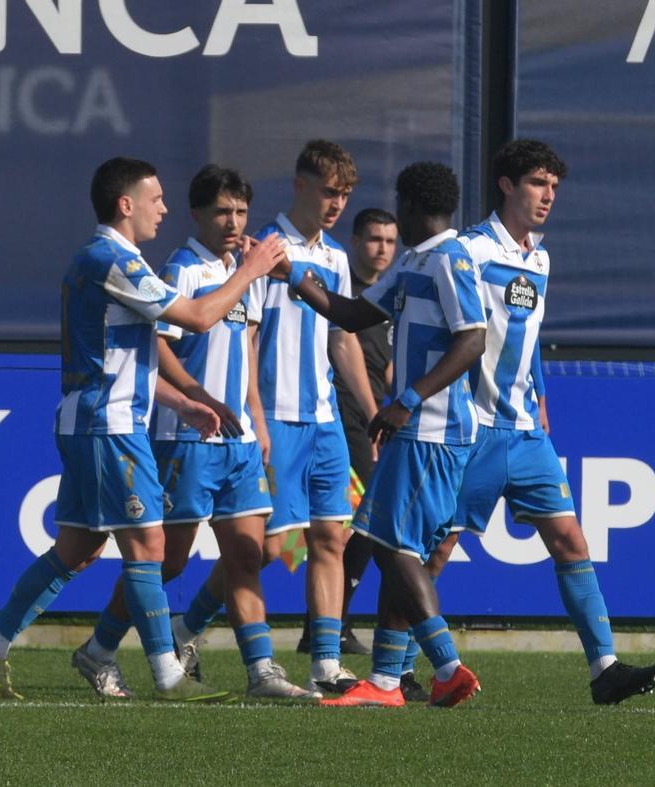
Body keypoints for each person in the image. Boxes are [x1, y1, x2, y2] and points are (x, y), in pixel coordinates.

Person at [0, 157, 286, 702]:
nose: (164, 207)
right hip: (108, 425)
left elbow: (124, 356)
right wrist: (250, 271)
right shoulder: (112, 259)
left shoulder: (117, 260)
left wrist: (182, 401)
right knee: (149, 543)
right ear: (125, 204)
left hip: (97, 420)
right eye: (155, 198)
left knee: (78, 549)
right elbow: (200, 319)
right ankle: (168, 674)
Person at [424, 139, 655, 705]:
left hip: (525, 431)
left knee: (570, 540)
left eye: (554, 187)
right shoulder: (469, 251)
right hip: (472, 430)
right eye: (538, 183)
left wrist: (541, 391)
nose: (548, 196)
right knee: (435, 552)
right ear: (507, 185)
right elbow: (447, 332)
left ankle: (604, 668)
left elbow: (527, 331)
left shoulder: (540, 256)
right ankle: (392, 671)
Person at [69, 165, 316, 701]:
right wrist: (193, 400)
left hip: (240, 440)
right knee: (167, 560)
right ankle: (100, 648)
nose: (233, 222)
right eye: (222, 211)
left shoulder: (238, 269)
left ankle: (262, 671)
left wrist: (255, 414)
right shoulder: (184, 269)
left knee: (250, 556)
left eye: (241, 211)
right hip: (185, 439)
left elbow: (247, 348)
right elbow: (156, 343)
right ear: (197, 214)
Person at [168, 140, 376, 696]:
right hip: (273, 421)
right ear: (301, 185)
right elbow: (246, 338)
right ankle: (186, 627)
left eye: (346, 195)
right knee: (261, 550)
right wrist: (253, 417)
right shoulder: (259, 249)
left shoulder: (335, 257)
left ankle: (326, 664)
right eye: (330, 192)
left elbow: (343, 341)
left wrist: (374, 413)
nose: (337, 204)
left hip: (325, 420)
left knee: (331, 537)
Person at [293, 161, 487, 708]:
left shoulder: (451, 259)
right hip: (416, 429)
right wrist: (293, 277)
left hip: (433, 429)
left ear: (409, 205)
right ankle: (383, 683)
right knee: (386, 546)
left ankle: (446, 666)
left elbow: (472, 340)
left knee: (396, 547)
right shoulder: (414, 261)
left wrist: (407, 398)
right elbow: (354, 313)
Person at [294, 209, 398, 659]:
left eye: (391, 241)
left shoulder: (390, 296)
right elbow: (341, 345)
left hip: (374, 417)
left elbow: (389, 364)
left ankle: (328, 626)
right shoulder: (341, 290)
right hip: (344, 416)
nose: (383, 249)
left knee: (360, 526)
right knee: (358, 523)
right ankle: (328, 626)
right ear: (355, 242)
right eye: (374, 239)